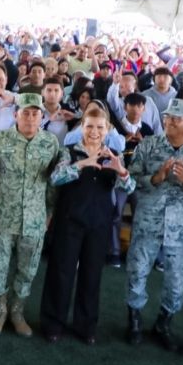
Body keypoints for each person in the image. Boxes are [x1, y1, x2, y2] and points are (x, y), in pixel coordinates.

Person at [39, 106, 135, 344]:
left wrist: (121, 171)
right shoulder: (68, 152)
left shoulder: (114, 155)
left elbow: (130, 189)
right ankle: (53, 323)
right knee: (61, 273)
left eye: (99, 127)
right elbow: (55, 178)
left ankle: (85, 326)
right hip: (69, 221)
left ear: (108, 129)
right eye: (89, 126)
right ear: (82, 126)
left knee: (92, 275)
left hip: (99, 224)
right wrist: (83, 164)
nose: (94, 132)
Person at [125, 99, 183, 351]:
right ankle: (133, 320)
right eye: (167, 117)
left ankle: (163, 323)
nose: (169, 122)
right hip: (147, 223)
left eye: (176, 118)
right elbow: (129, 180)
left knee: (176, 280)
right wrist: (156, 177)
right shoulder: (149, 145)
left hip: (180, 230)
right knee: (137, 271)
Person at [0, 93, 60, 338]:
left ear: (42, 116)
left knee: (28, 269)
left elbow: (52, 184)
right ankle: (0, 311)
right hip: (2, 216)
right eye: (25, 112)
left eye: (35, 113)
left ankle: (17, 311)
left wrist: (49, 213)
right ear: (15, 114)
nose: (30, 117)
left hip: (35, 218)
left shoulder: (51, 143)